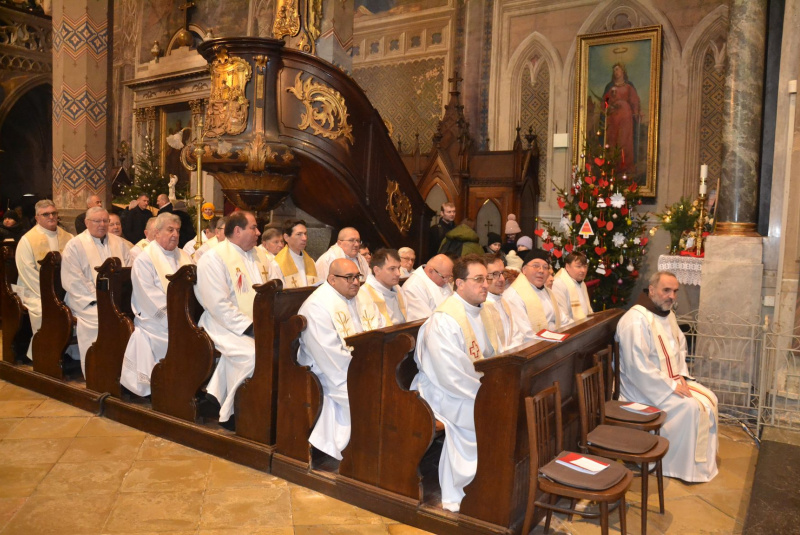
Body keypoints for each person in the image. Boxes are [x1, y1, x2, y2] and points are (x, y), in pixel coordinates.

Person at [615, 271, 718, 482]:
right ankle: (678, 467)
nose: (671, 296)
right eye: (666, 290)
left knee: (710, 399)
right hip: (641, 390)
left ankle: (696, 466)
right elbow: (638, 367)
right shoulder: (636, 320)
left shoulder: (666, 314)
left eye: (675, 291)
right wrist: (670, 385)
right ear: (651, 290)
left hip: (666, 381)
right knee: (691, 407)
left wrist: (681, 376)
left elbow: (679, 348)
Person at [412, 254, 493, 512]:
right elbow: (449, 374)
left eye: (486, 279)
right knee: (485, 416)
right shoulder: (444, 320)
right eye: (478, 279)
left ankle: (490, 480)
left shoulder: (481, 312)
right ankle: (466, 488)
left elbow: (491, 355)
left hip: (467, 387)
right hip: (442, 392)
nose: (486, 285)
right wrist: (487, 393)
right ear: (459, 283)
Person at [297, 258, 383, 459]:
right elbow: (329, 354)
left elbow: (380, 328)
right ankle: (361, 454)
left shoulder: (362, 297)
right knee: (373, 397)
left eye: (357, 277)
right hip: (328, 372)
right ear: (332, 279)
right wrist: (366, 371)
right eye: (349, 278)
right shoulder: (317, 307)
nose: (355, 282)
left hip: (360, 367)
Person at [195, 211, 270, 430]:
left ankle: (216, 399)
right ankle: (232, 413)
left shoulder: (262, 256)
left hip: (258, 323)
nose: (258, 233)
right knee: (254, 355)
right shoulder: (214, 257)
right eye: (254, 228)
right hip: (221, 323)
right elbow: (217, 303)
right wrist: (251, 328)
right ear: (237, 230)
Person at [120, 213, 193, 396]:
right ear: (157, 232)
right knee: (180, 339)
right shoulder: (145, 259)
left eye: (177, 230)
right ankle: (164, 383)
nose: (175, 234)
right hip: (155, 321)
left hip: (183, 317)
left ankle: (187, 385)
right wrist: (175, 319)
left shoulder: (184, 256)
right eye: (170, 230)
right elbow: (147, 295)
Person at [61, 207, 131, 375]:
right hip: (86, 301)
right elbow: (74, 279)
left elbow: (129, 270)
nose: (102, 225)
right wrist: (101, 298)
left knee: (132, 320)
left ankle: (125, 372)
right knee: (103, 321)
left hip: (116, 300)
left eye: (105, 221)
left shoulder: (118, 243)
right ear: (86, 223)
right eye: (97, 221)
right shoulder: (75, 245)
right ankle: (98, 370)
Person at [14, 200, 73, 359]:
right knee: (43, 311)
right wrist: (49, 294)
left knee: (77, 308)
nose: (51, 217)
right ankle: (42, 354)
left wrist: (63, 290)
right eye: (46, 214)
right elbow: (27, 271)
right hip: (34, 291)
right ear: (37, 217)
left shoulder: (68, 237)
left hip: (63, 290)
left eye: (54, 213)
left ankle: (67, 351)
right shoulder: (27, 240)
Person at [503, 249, 569, 343]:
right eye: (536, 266)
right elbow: (525, 335)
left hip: (555, 343)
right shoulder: (513, 296)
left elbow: (563, 320)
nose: (541, 270)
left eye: (545, 267)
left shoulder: (548, 292)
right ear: (524, 270)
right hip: (534, 348)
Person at [602, 62, 641, 175]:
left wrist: (636, 113)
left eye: (618, 69)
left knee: (624, 140)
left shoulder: (628, 87)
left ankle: (625, 167)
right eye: (614, 70)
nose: (616, 72)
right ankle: (612, 167)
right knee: (612, 140)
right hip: (613, 118)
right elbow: (605, 102)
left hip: (625, 117)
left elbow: (634, 101)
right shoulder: (610, 87)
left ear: (623, 71)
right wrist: (609, 106)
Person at [357, 248, 407, 326]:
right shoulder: (364, 295)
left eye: (398, 268)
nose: (398, 273)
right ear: (377, 270)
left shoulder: (398, 289)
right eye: (392, 269)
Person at [481, 253, 519, 353]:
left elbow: (516, 333)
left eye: (502, 273)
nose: (502, 279)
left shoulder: (503, 301)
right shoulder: (481, 307)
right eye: (495, 274)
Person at [402, 253, 454, 321]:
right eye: (444, 277)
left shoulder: (443, 279)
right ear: (430, 271)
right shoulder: (413, 287)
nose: (447, 281)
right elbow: (424, 321)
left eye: (450, 277)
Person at [268, 219, 318, 288]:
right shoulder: (277, 264)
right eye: (299, 234)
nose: (304, 238)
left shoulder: (311, 262)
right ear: (286, 237)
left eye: (305, 234)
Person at [551, 252, 593, 322]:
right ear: (567, 267)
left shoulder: (582, 283)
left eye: (585, 266)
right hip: (570, 328)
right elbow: (562, 316)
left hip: (584, 326)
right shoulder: (558, 284)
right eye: (578, 266)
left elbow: (587, 310)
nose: (583, 270)